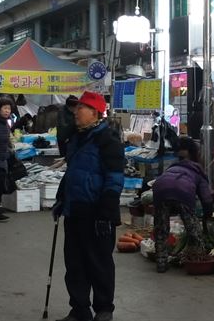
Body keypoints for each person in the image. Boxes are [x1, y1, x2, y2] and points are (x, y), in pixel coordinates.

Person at [52, 91, 124, 321]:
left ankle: (104, 310)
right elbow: (72, 172)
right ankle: (79, 309)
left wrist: (107, 213)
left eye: (81, 107)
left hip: (96, 212)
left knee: (99, 263)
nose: (76, 111)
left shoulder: (108, 140)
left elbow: (114, 178)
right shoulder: (76, 138)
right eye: (75, 107)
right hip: (75, 210)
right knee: (74, 264)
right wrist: (62, 198)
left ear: (94, 112)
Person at [152, 137, 213, 273]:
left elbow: (164, 181)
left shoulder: (173, 167)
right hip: (182, 193)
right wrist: (208, 212)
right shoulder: (197, 170)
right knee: (193, 228)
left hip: (160, 191)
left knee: (161, 229)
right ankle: (197, 260)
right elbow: (206, 196)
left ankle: (161, 262)